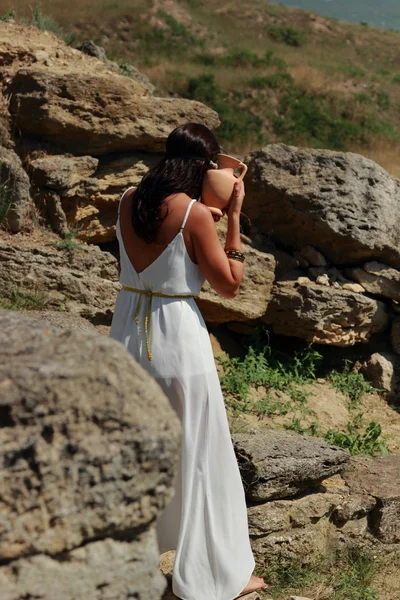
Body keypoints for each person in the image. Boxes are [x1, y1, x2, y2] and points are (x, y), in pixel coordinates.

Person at [109, 123, 267, 600]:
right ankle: (213, 577)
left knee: (131, 450)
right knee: (201, 455)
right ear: (204, 167)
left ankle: (119, 560)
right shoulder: (196, 215)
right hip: (176, 338)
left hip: (126, 334)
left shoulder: (128, 198)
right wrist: (233, 218)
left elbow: (157, 251)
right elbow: (231, 285)